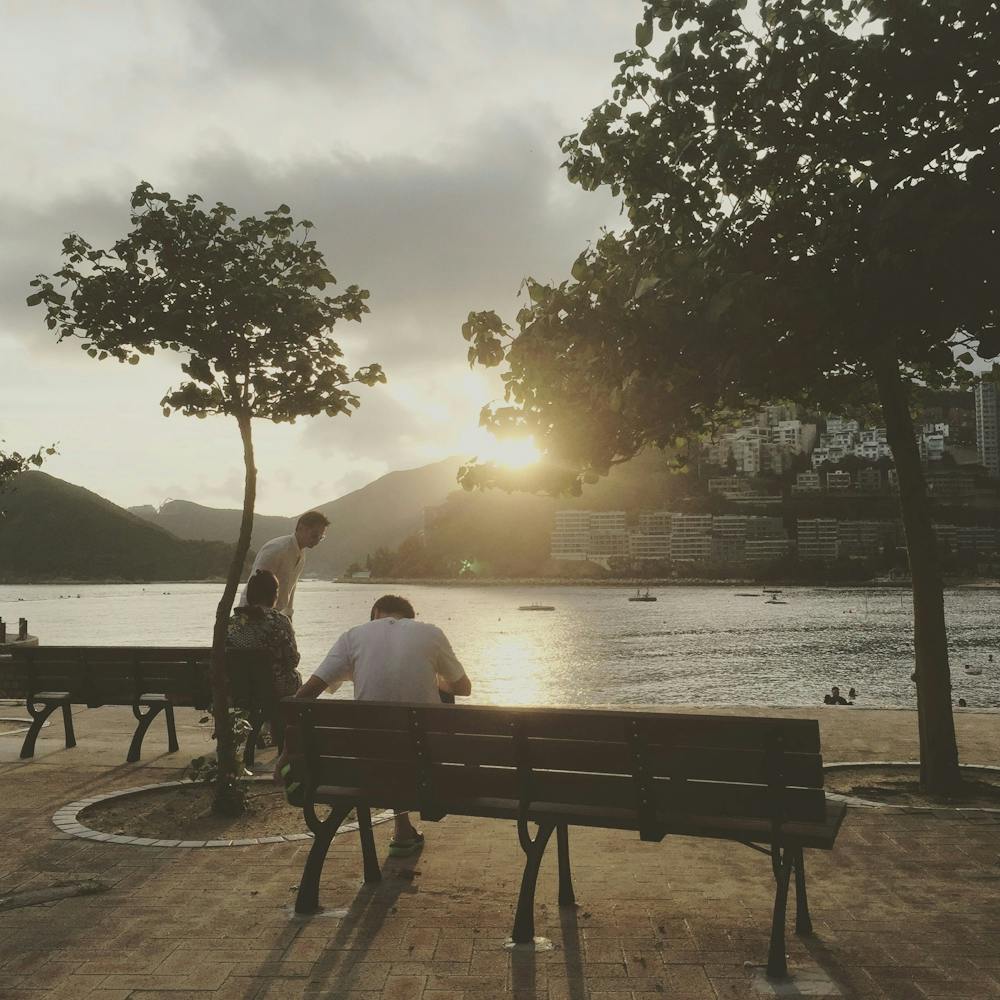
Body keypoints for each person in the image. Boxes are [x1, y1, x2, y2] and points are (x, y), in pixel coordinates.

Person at [279, 594, 471, 856]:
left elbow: (303, 698)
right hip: (427, 767)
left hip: (366, 767)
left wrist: (285, 754)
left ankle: (403, 830)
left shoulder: (353, 636)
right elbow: (464, 687)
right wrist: (436, 681)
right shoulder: (431, 634)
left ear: (376, 612)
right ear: (409, 617)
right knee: (430, 703)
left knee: (380, 725)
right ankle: (405, 828)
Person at [238, 511, 329, 619]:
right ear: (301, 528)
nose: (317, 540)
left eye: (321, 537)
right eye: (315, 535)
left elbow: (291, 587)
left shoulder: (301, 554)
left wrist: (289, 615)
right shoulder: (277, 549)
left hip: (275, 616)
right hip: (253, 615)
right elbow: (256, 584)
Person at [228, 568, 302, 700]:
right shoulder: (280, 621)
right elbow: (292, 660)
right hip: (271, 687)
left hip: (238, 686)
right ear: (273, 594)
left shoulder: (231, 622)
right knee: (296, 677)